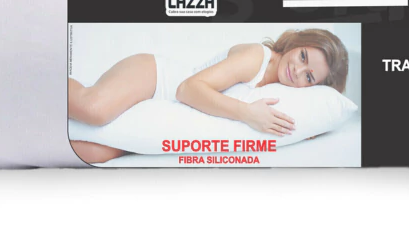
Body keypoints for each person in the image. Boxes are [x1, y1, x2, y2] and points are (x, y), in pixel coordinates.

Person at [68, 29, 349, 163]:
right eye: (303, 56)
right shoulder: (257, 57)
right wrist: (247, 113)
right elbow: (187, 89)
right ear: (298, 43)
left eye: (309, 77)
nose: (297, 70)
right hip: (155, 79)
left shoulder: (283, 89)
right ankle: (46, 78)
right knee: (94, 109)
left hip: (163, 113)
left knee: (97, 153)